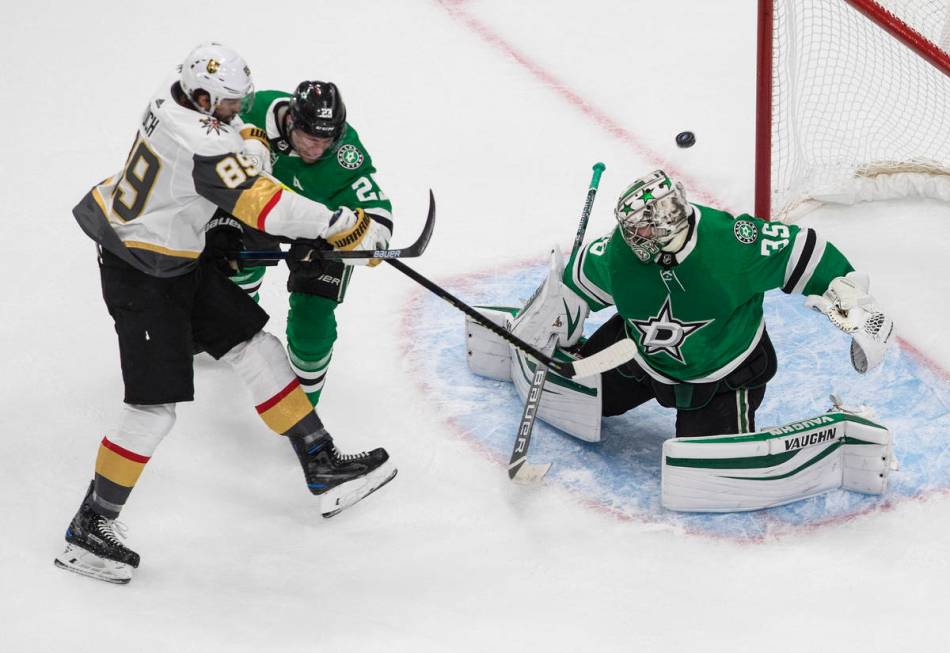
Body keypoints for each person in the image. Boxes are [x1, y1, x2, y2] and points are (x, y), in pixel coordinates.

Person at [56, 43, 395, 585]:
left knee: (256, 346)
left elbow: (228, 154)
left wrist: (247, 142)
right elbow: (267, 205)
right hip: (141, 271)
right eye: (233, 105)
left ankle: (320, 462)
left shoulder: (173, 100)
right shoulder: (202, 139)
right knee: (152, 410)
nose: (241, 112)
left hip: (174, 258)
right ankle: (90, 526)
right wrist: (339, 224)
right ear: (205, 96)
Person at [475, 169, 893, 442]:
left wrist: (858, 308)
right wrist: (548, 322)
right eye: (629, 227)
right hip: (641, 353)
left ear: (665, 226)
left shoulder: (733, 243)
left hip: (724, 370)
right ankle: (587, 363)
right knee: (585, 397)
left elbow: (805, 251)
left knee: (702, 452)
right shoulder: (618, 254)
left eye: (639, 228)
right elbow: (576, 280)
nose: (630, 235)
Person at [218, 80, 392, 407]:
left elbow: (379, 228)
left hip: (322, 229)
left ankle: (302, 412)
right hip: (260, 207)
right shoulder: (251, 110)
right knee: (232, 264)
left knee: (311, 321)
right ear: (292, 122)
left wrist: (335, 244)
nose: (318, 149)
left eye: (327, 140)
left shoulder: (345, 156)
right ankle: (231, 318)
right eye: (311, 138)